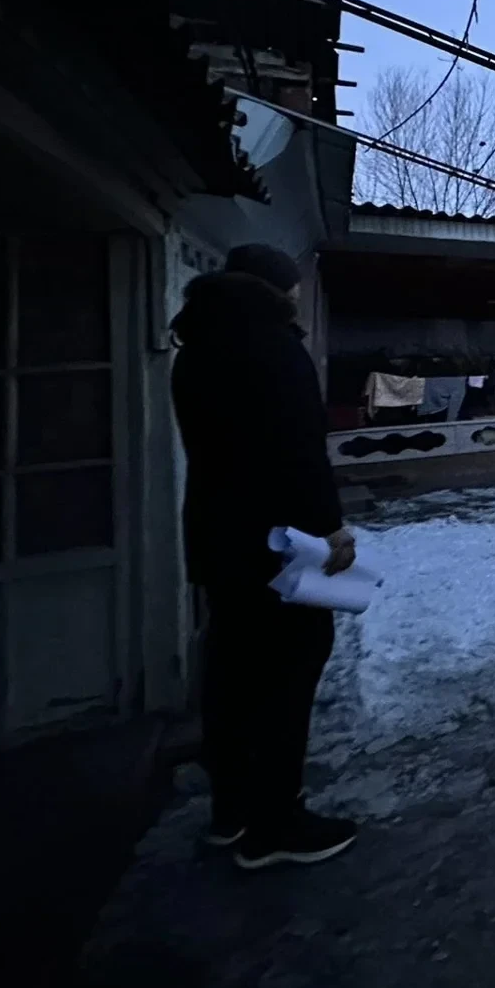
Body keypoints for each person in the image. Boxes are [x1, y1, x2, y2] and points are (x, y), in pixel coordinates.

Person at [170, 243, 357, 870]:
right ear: (280, 289)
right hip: (280, 540)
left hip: (219, 535)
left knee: (232, 670)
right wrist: (330, 529)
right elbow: (299, 450)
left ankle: (232, 810)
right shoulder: (273, 347)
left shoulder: (197, 348)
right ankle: (276, 822)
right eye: (295, 287)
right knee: (288, 670)